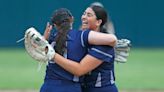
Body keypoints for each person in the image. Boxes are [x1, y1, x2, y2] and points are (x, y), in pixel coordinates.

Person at [42, 5, 118, 92]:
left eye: (89, 15)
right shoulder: (79, 38)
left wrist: (52, 54)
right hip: (84, 88)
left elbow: (80, 70)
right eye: (84, 13)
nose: (83, 17)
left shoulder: (104, 45)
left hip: (101, 89)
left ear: (98, 22)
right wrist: (44, 40)